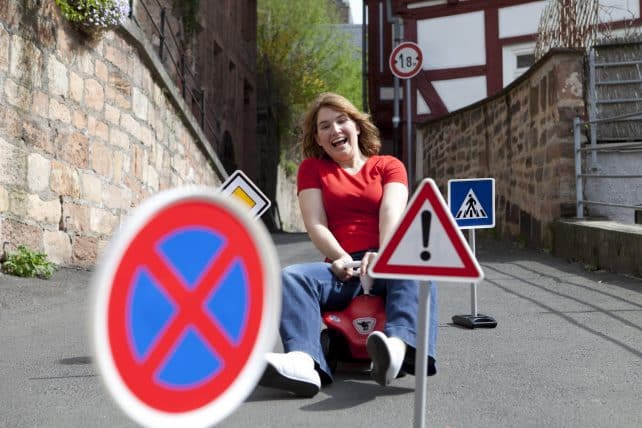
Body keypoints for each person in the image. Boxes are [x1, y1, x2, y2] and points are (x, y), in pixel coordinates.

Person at [259, 92, 438, 398]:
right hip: (341, 266)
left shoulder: (388, 166)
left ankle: (398, 349)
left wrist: (382, 255)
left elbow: (391, 213)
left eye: (341, 121)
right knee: (290, 277)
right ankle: (304, 362)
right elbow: (315, 223)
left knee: (417, 268)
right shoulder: (312, 170)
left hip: (385, 259)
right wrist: (339, 257)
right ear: (317, 137)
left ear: (357, 126)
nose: (335, 130)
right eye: (325, 126)